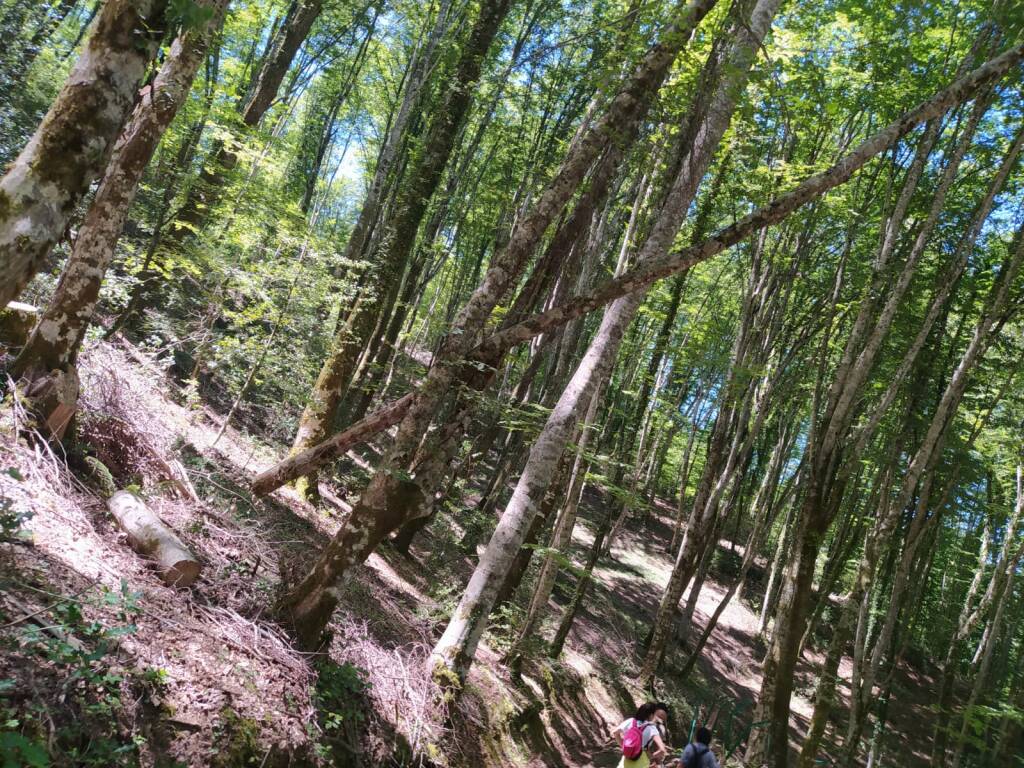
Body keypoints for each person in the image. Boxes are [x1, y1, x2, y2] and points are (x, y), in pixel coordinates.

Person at [613, 702, 669, 767]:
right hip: (642, 759)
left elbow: (615, 733)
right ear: (651, 715)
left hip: (627, 757)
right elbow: (662, 750)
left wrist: (624, 746)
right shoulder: (652, 728)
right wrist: (651, 756)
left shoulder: (631, 721)